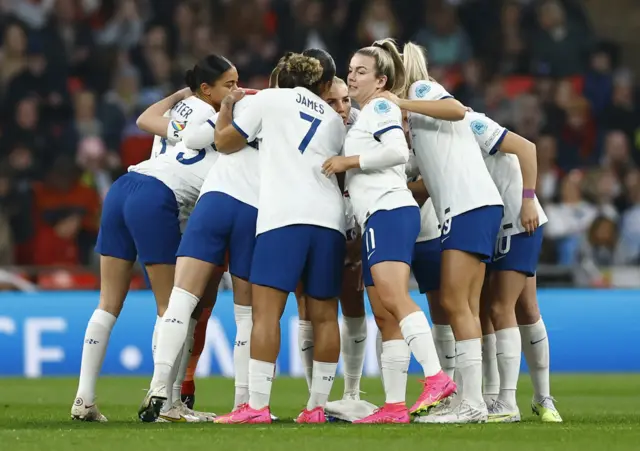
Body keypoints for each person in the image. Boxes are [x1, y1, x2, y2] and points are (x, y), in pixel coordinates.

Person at [71, 54, 236, 423]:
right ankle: (167, 400)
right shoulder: (216, 124)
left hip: (123, 187)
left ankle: (84, 399)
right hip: (156, 197)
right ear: (208, 89)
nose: (236, 92)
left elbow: (145, 119)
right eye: (230, 85)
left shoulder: (179, 114)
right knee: (173, 308)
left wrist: (179, 95)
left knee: (108, 303)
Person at [322, 39, 455, 424]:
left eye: (361, 71)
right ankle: (395, 405)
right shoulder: (365, 115)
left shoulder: (381, 106)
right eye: (351, 69)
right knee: (384, 316)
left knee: (396, 299)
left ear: (381, 81)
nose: (352, 76)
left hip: (389, 211)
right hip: (377, 217)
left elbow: (397, 151)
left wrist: (349, 160)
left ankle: (436, 378)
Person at [215, 51, 347, 424]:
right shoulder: (333, 119)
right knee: (323, 316)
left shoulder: (268, 100)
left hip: (284, 216)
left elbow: (226, 142)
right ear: (319, 85)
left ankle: (257, 407)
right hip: (329, 219)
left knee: (266, 313)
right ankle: (317, 407)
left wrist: (227, 107)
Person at [381, 42, 503, 423]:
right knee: (460, 305)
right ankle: (470, 399)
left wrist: (401, 104)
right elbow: (424, 181)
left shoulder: (421, 91)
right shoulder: (417, 124)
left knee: (454, 303)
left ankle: (471, 403)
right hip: (468, 206)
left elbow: (456, 109)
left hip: (468, 205)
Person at [465, 110, 562, 423]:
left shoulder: (470, 122)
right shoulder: (434, 140)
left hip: (518, 221)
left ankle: (521, 400)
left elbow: (527, 148)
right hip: (487, 225)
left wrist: (529, 198)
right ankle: (503, 397)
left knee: (506, 308)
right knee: (507, 309)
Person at [296, 75, 367, 402]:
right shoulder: (301, 130)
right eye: (332, 102)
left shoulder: (359, 126)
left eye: (345, 100)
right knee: (308, 309)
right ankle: (316, 397)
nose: (341, 108)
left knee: (353, 304)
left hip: (353, 221)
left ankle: (351, 392)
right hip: (310, 220)